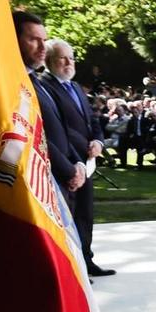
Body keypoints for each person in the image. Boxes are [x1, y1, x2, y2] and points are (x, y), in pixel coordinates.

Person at [44, 39, 112, 277]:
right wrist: (76, 159)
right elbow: (59, 130)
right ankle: (73, 269)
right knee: (68, 218)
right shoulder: (45, 88)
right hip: (66, 164)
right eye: (62, 58)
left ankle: (87, 260)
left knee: (85, 215)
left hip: (86, 164)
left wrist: (98, 141)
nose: (68, 62)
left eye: (71, 57)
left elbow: (92, 121)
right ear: (49, 60)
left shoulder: (76, 88)